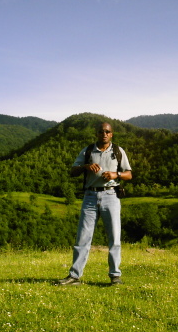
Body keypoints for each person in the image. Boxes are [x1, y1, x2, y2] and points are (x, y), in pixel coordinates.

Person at [58, 122, 132, 286]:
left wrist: (116, 174)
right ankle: (74, 276)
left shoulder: (118, 151)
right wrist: (86, 166)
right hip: (90, 196)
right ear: (97, 133)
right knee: (83, 236)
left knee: (114, 237)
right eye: (101, 131)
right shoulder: (88, 151)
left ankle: (115, 276)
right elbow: (72, 171)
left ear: (111, 134)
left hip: (111, 195)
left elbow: (129, 174)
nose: (104, 134)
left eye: (107, 131)